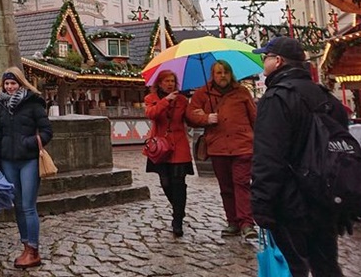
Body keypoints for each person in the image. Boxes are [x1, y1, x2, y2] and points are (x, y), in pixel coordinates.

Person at [252, 37, 350, 277]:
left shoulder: (276, 98)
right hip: (326, 196)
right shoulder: (326, 97)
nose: (263, 63)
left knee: (293, 266)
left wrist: (261, 203)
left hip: (290, 200)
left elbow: (269, 156)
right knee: (326, 265)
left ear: (278, 61)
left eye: (266, 57)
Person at [188, 59, 257, 239]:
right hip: (218, 147)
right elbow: (190, 116)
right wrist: (205, 118)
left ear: (231, 74)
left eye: (226, 72)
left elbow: (254, 117)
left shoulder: (241, 92)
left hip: (242, 146)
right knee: (226, 187)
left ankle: (246, 223)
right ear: (213, 75)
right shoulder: (203, 94)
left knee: (242, 184)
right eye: (219, 72)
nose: (223, 75)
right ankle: (232, 222)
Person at [0, 68, 52, 269]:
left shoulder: (33, 102)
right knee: (17, 205)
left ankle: (33, 250)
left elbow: (47, 131)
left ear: (20, 83)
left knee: (28, 205)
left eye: (13, 83)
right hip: (8, 161)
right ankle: (26, 246)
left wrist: (29, 142)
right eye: (7, 83)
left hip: (28, 160)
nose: (10, 87)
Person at [144, 70, 193, 237]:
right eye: (166, 81)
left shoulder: (182, 100)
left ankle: (177, 219)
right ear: (159, 83)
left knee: (178, 183)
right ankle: (179, 208)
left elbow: (190, 119)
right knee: (165, 182)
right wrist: (166, 101)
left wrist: (203, 116)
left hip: (179, 146)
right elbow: (152, 114)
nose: (170, 84)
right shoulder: (151, 99)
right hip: (160, 147)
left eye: (172, 81)